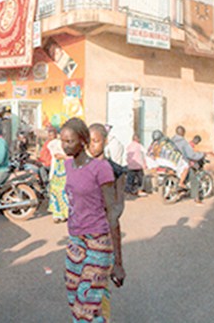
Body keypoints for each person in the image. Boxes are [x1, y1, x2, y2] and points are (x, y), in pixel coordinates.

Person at [60, 118, 125, 323]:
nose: (65, 145)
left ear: (83, 141)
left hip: (97, 241)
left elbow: (112, 213)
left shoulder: (101, 168)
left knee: (88, 303)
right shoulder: (68, 166)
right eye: (63, 141)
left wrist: (118, 263)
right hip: (75, 241)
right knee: (74, 299)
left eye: (69, 141)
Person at [171, 126, 205, 204]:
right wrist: (201, 155)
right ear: (183, 133)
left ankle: (182, 190)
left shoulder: (172, 140)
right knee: (194, 179)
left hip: (172, 163)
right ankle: (197, 199)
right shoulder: (184, 142)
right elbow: (191, 155)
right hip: (181, 164)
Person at [46, 127, 68, 223]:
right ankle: (58, 214)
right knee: (56, 192)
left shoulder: (58, 143)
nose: (50, 136)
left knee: (61, 192)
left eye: (52, 134)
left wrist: (63, 156)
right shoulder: (51, 144)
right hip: (56, 168)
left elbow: (62, 155)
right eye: (49, 134)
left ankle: (61, 214)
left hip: (62, 169)